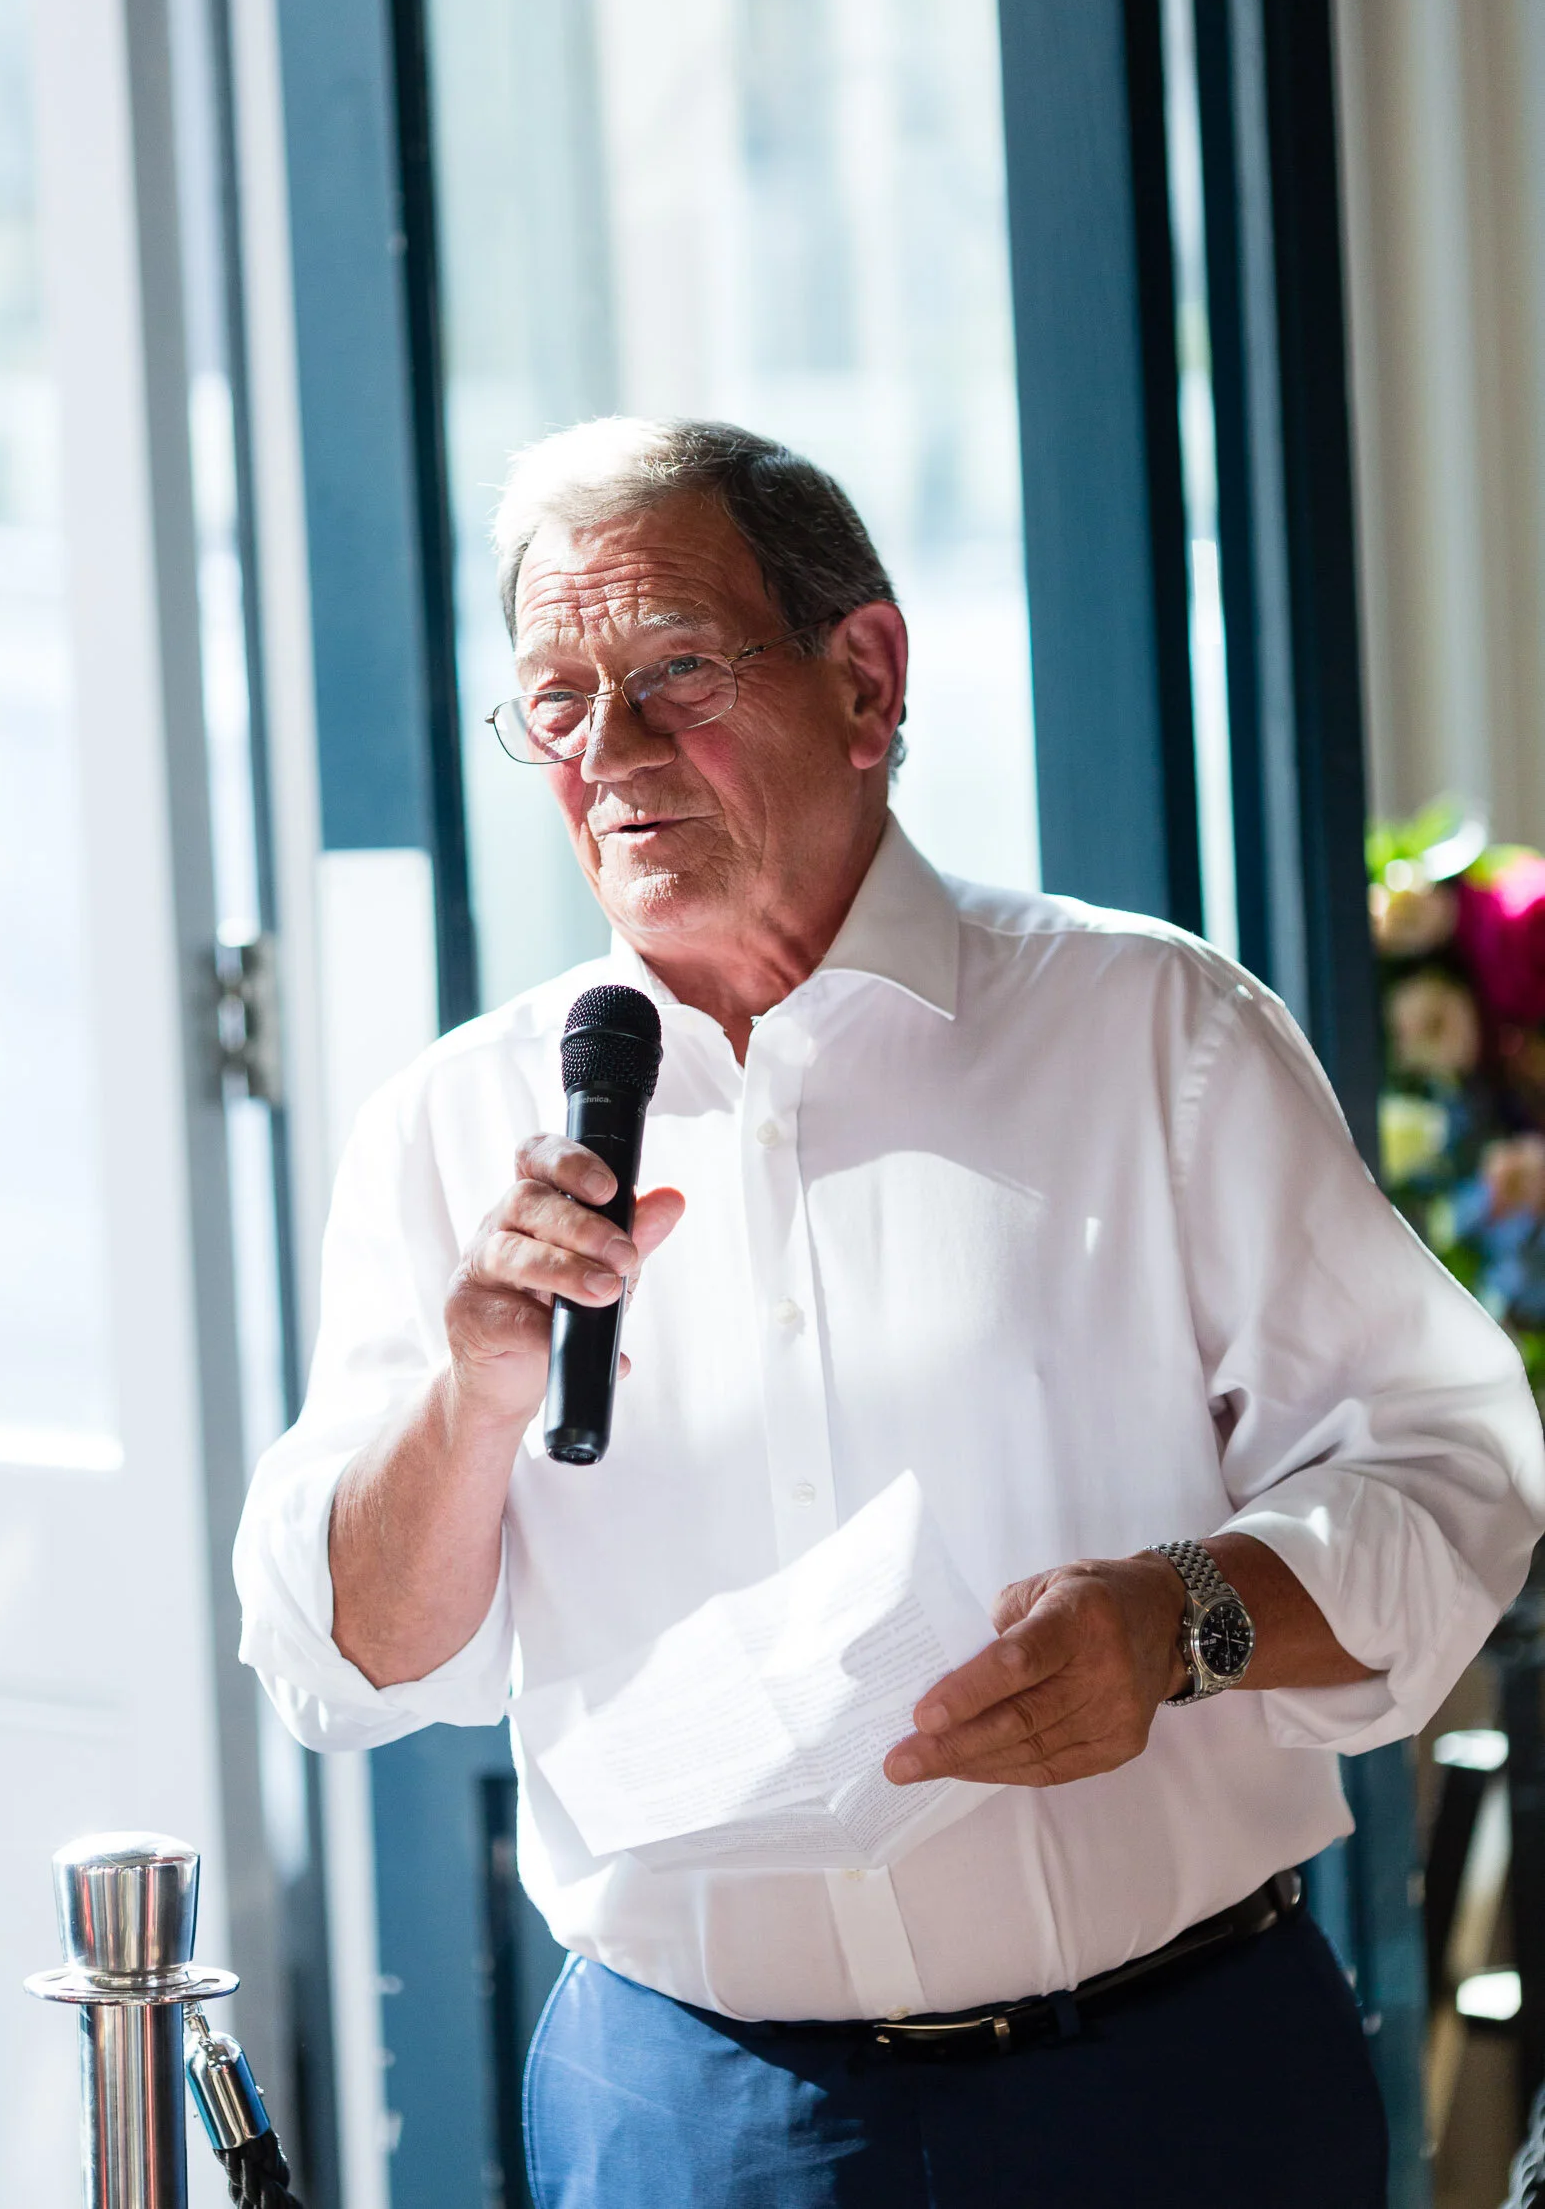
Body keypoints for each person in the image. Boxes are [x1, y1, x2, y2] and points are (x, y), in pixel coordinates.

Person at [235, 417, 1545, 2208]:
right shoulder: (451, 1126)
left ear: (865, 678)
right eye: (554, 702)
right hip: (687, 2121)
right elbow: (344, 1665)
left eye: (675, 673)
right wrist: (469, 1399)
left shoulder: (1154, 1033)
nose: (607, 753)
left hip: (1170, 2095)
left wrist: (1180, 1621)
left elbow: (1450, 1473)